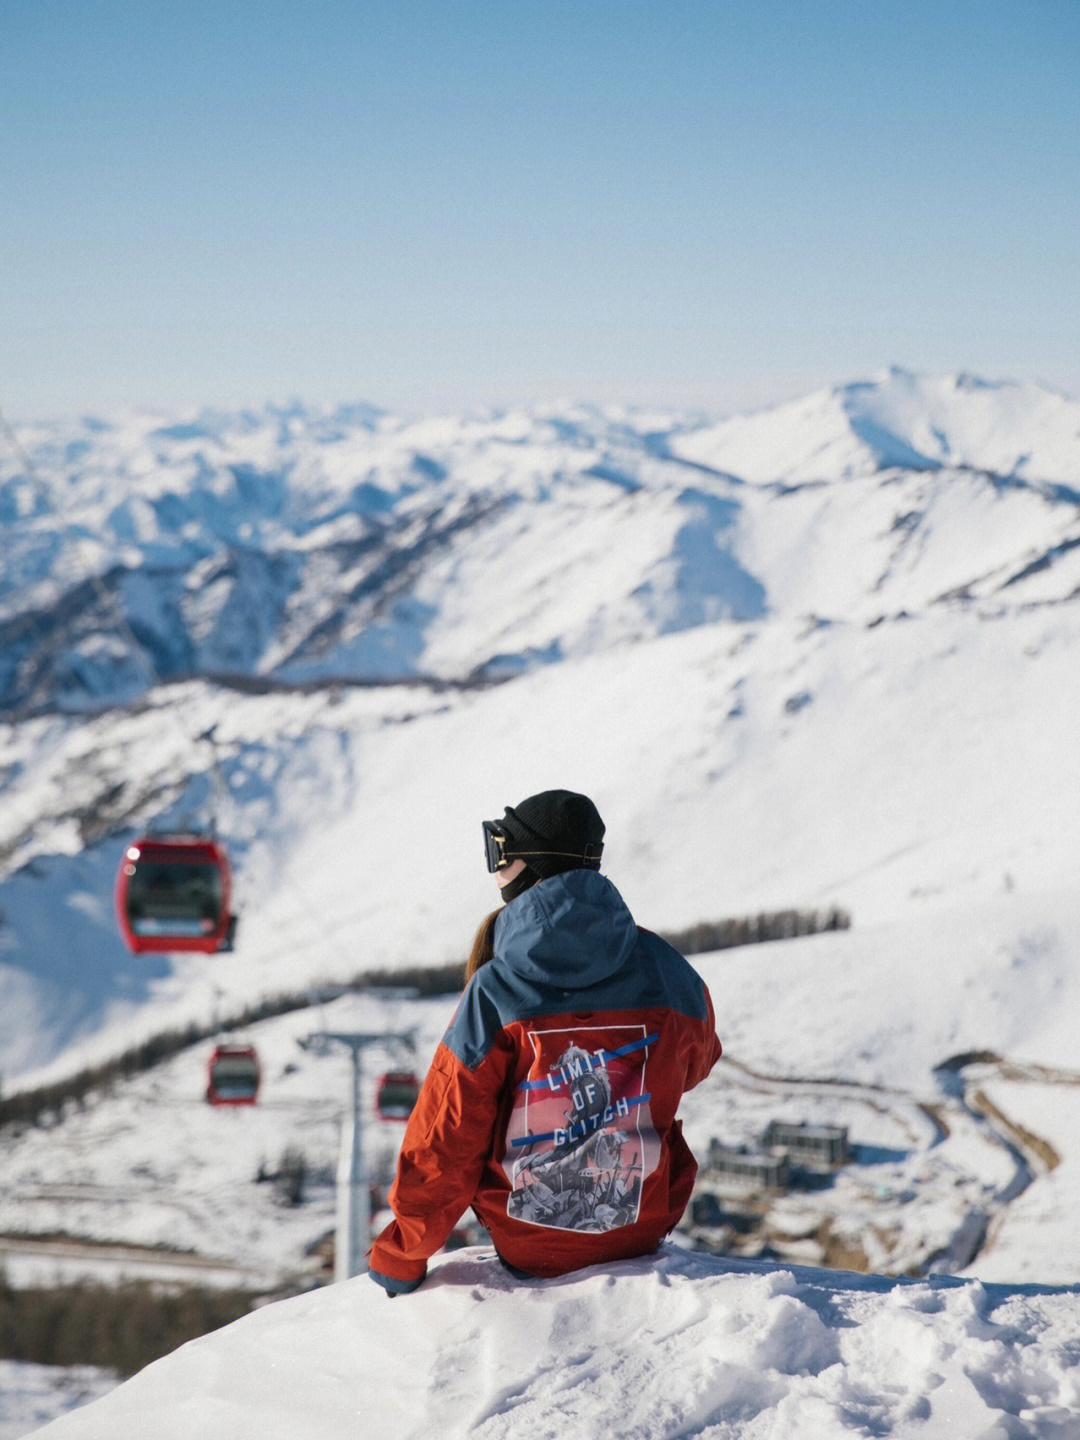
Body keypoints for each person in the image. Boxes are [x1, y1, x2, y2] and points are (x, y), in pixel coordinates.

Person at [367, 789, 722, 1295]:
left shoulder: (495, 990)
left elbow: (446, 1141)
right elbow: (701, 1058)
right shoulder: (665, 971)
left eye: (500, 856)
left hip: (528, 1242)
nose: (494, 872)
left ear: (527, 865)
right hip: (639, 1231)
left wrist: (402, 1255)